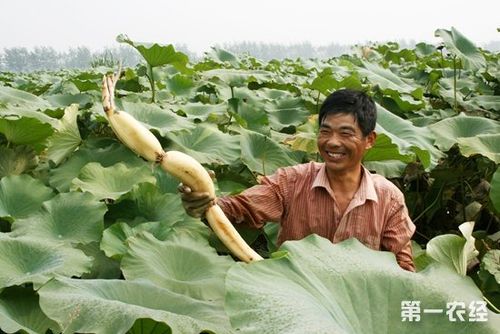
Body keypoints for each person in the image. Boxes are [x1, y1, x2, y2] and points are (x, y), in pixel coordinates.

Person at [179, 89, 416, 271]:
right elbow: (240, 209)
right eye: (325, 131)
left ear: (370, 140)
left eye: (345, 133)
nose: (332, 142)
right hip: (296, 302)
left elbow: (403, 268)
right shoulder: (292, 181)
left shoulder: (389, 197)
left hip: (358, 310)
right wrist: (205, 202)